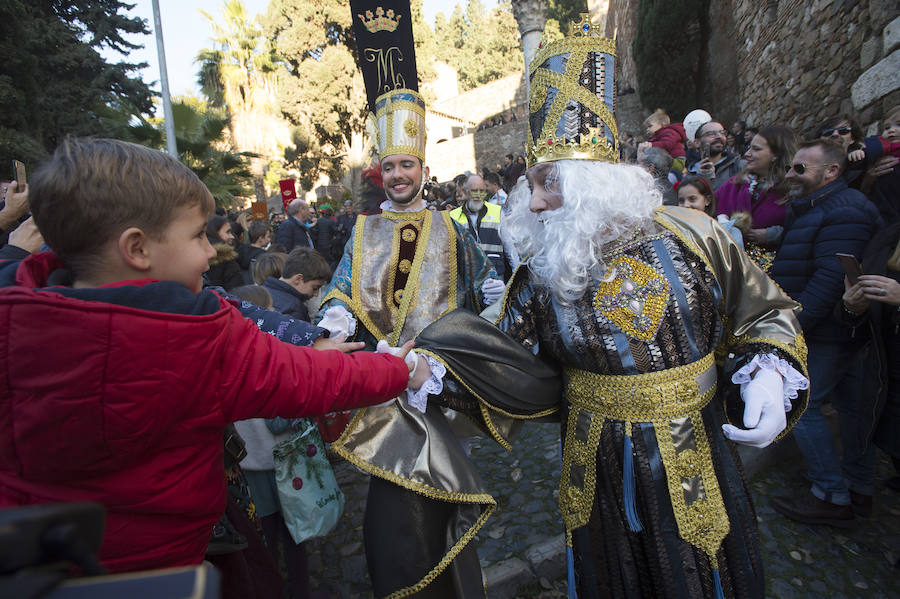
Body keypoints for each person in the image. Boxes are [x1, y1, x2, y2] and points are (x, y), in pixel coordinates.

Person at [413, 18, 809, 599]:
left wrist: (770, 374)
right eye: (532, 185)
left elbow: (763, 310)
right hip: (593, 458)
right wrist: (430, 372)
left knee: (700, 570)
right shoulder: (544, 270)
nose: (536, 202)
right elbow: (497, 356)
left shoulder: (697, 235)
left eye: (548, 184)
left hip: (695, 447)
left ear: (593, 182)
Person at [0, 137, 416, 576]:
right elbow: (311, 378)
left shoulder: (15, 314)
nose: (210, 253)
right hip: (168, 564)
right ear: (138, 249)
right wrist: (397, 368)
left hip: (41, 565)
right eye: (198, 235)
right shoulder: (192, 337)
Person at [317, 24, 504, 592]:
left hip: (437, 387)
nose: (398, 175)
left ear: (424, 168)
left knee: (439, 505)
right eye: (389, 166)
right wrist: (334, 319)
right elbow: (342, 289)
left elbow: (486, 291)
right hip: (383, 389)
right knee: (395, 512)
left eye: (408, 165)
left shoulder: (451, 229)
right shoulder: (364, 230)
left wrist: (490, 317)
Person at [769, 138, 882, 526]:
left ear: (831, 171)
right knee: (851, 408)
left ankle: (832, 495)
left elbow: (830, 280)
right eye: (790, 167)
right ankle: (856, 487)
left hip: (828, 329)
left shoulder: (846, 210)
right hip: (832, 327)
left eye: (800, 168)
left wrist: (789, 328)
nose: (789, 174)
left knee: (802, 406)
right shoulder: (821, 206)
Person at [715, 125, 796, 272]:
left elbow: (806, 229)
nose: (747, 154)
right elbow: (705, 206)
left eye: (756, 149)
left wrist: (774, 235)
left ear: (776, 154)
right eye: (749, 148)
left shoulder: (792, 190)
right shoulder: (734, 185)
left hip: (779, 274)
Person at [449, 173, 507, 279]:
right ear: (466, 192)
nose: (478, 195)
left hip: (495, 275)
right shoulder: (453, 216)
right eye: (474, 191)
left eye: (482, 191)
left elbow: (509, 246)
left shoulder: (497, 211)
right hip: (468, 277)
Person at [264, 246, 331, 322]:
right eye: (315, 288)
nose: (316, 294)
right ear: (298, 279)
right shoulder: (295, 309)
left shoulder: (261, 292)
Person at [677, 174, 744, 247]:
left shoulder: (728, 232)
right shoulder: (675, 230)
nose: (686, 205)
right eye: (681, 201)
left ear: (707, 200)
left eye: (692, 199)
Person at [690, 121, 744, 190]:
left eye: (722, 133)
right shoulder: (690, 173)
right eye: (711, 134)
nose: (719, 136)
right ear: (697, 143)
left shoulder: (738, 166)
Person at [205, 214, 244, 290]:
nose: (232, 236)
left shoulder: (196, 259)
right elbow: (237, 291)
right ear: (214, 233)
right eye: (228, 232)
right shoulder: (227, 260)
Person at [238, 220, 271, 284]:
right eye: (268, 237)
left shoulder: (241, 251)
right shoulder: (263, 256)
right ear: (260, 238)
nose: (269, 239)